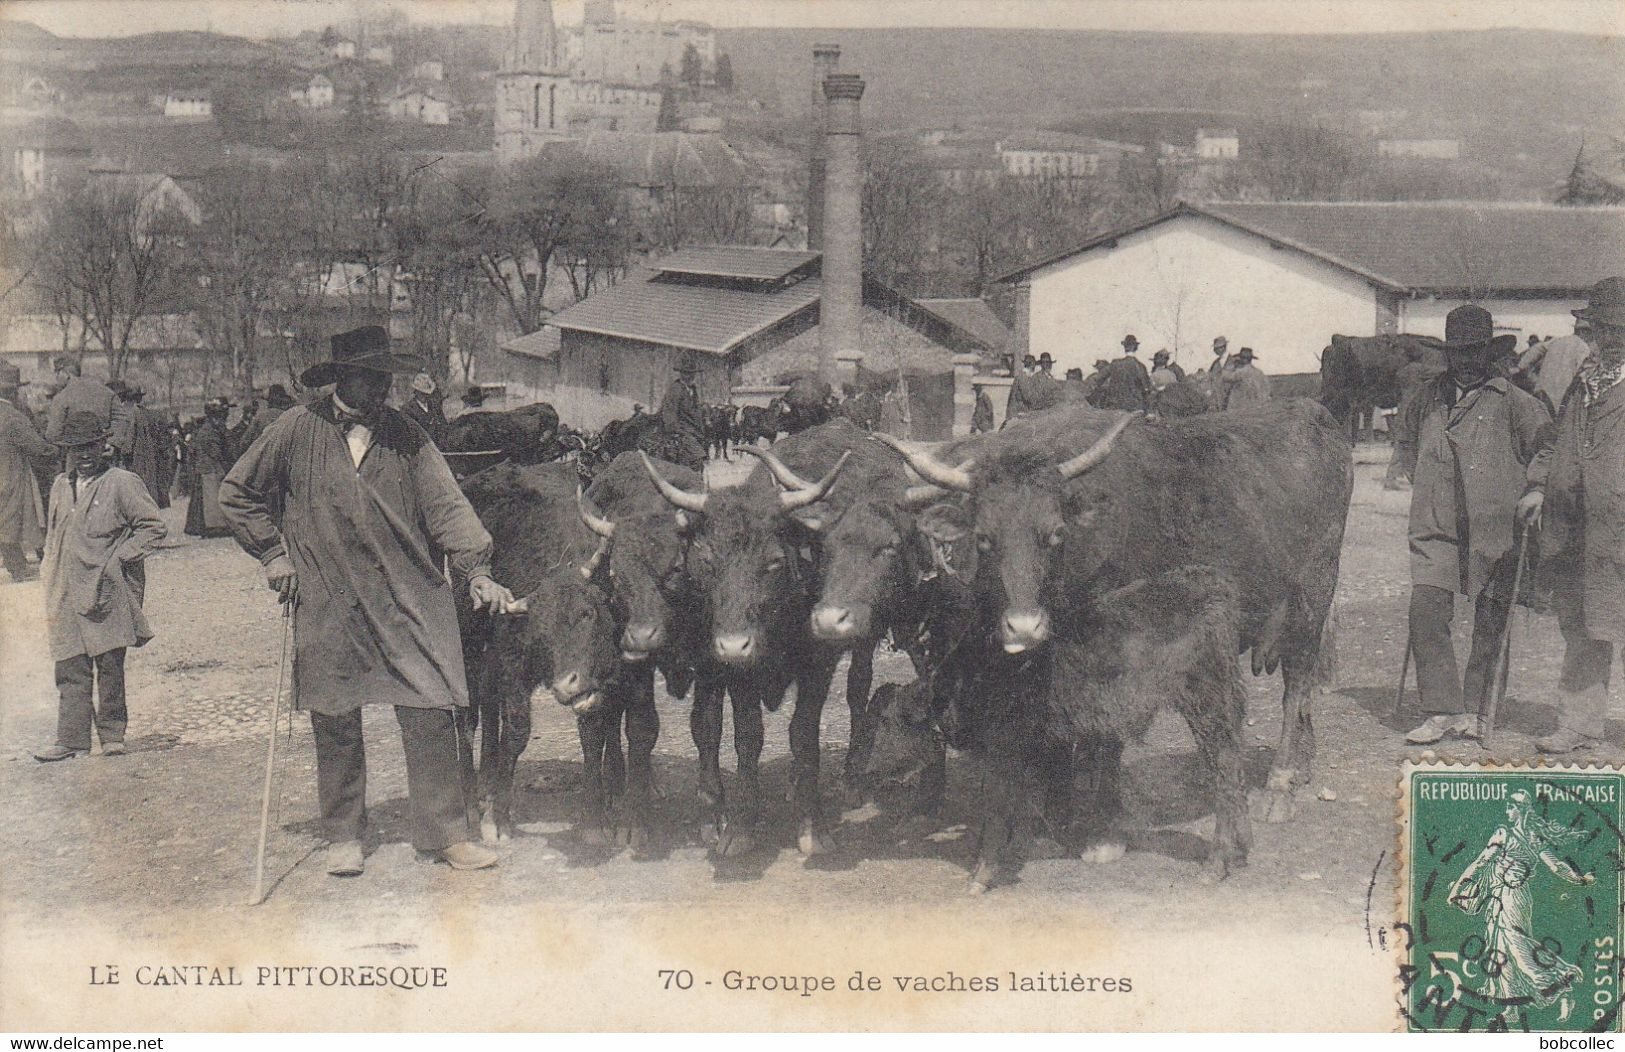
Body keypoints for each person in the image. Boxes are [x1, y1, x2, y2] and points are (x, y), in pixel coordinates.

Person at [219, 325, 518, 875]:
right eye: (370, 377)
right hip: (329, 595)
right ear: (341, 378)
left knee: (431, 707)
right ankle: (343, 835)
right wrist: (272, 554)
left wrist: (475, 570)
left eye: (386, 379)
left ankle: (446, 833)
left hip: (406, 595)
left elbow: (448, 508)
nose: (381, 389)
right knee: (334, 715)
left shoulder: (409, 436)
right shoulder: (295, 430)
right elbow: (236, 493)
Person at [1398, 305, 1551, 745]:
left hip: (1495, 530)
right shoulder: (1427, 398)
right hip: (1436, 527)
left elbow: (1545, 448)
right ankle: (1442, 709)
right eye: (1457, 352)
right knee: (1425, 610)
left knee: (1491, 620)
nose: (1465, 360)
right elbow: (1406, 439)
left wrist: (1535, 488)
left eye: (1474, 351)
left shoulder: (1517, 401)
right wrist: (1420, 474)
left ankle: (1479, 707)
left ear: (1489, 353)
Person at [1520, 277, 1625, 753]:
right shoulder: (1585, 379)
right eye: (1604, 328)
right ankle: (1579, 723)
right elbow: (1555, 440)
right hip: (1580, 526)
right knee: (1584, 622)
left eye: (1619, 328)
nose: (1611, 337)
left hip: (1620, 523)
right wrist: (1539, 486)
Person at [32, 409, 166, 761]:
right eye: (77, 449)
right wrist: (49, 576)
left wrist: (120, 560)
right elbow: (53, 537)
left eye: (91, 446)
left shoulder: (122, 482)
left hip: (106, 592)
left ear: (104, 445)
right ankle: (71, 740)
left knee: (109, 664)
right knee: (70, 665)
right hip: (65, 590)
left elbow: (152, 527)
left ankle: (112, 735)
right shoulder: (61, 486)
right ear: (68, 452)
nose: (85, 455)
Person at [1447, 789, 1590, 1025]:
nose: (1507, 811)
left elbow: (1482, 862)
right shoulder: (1533, 839)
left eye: (1510, 807)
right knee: (1499, 950)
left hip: (1514, 898)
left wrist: (1459, 889)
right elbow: (1558, 868)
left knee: (1518, 946)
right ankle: (1510, 1007)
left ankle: (1564, 983)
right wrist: (1581, 878)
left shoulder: (1510, 835)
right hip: (1499, 896)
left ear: (1521, 810)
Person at [0, 363, 54, 582]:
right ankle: (18, 569)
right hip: (10, 474)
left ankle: (16, 565)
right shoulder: (13, 416)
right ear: (12, 391)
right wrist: (57, 450)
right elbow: (37, 447)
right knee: (11, 519)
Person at [1518, 318, 1595, 416]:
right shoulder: (1584, 348)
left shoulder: (1558, 340)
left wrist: (1521, 367)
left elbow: (1537, 349)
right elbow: (1584, 378)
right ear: (1586, 331)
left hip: (1542, 393)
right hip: (1562, 402)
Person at [184, 398, 235, 539]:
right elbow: (216, 452)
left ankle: (209, 526)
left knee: (206, 500)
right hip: (209, 469)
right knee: (210, 499)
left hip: (206, 468)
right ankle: (214, 527)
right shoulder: (210, 431)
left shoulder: (208, 428)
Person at [44, 357, 115, 450]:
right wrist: (112, 443)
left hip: (74, 454)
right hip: (103, 451)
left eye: (57, 373)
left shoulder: (61, 398)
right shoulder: (105, 391)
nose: (56, 378)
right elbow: (121, 418)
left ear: (66, 374)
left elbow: (52, 435)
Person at [124, 384, 172, 509]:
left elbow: (130, 439)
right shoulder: (148, 413)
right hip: (149, 455)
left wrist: (124, 452)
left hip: (136, 455)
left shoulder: (132, 413)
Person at [657, 357, 706, 470]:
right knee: (696, 460)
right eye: (686, 373)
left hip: (694, 432)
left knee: (699, 460)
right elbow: (669, 413)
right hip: (682, 432)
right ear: (681, 374)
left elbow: (695, 412)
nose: (689, 376)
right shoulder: (676, 389)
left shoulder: (692, 389)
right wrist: (676, 431)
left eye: (691, 373)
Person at [1091, 336, 1153, 412]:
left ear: (1124, 347)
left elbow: (1097, 378)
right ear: (1136, 348)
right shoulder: (1140, 366)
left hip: (1114, 406)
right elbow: (1146, 389)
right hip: (1133, 407)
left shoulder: (1115, 363)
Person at [402, 372, 448, 447]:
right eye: (422, 393)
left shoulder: (435, 407)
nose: (425, 396)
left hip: (438, 448)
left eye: (427, 394)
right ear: (416, 392)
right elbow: (408, 435)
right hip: (420, 449)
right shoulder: (408, 409)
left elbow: (444, 425)